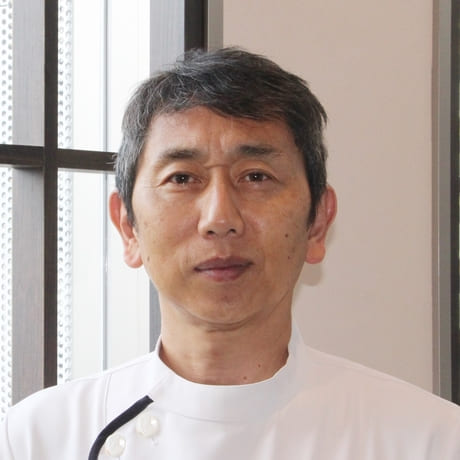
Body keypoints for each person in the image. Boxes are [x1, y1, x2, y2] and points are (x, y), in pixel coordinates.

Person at [1, 47, 459, 459]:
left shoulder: (430, 440)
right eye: (182, 178)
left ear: (318, 222)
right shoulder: (35, 440)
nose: (220, 218)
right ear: (128, 227)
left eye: (256, 176)